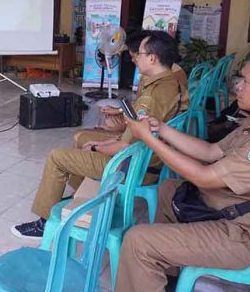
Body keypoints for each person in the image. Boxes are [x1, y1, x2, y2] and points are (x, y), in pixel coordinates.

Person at [116, 49, 250, 292]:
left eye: (246, 81)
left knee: (138, 241)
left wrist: (147, 140)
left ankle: (152, 264)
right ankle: (166, 278)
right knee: (169, 190)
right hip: (235, 212)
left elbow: (205, 176)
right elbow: (211, 151)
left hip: (246, 237)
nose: (238, 87)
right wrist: (160, 129)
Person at [12, 31, 188, 239]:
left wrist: (97, 147)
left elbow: (125, 147)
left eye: (138, 54)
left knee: (57, 157)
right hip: (147, 156)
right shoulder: (169, 82)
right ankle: (84, 198)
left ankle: (44, 223)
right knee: (83, 140)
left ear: (152, 57)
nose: (134, 58)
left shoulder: (153, 96)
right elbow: (136, 134)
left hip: (133, 165)